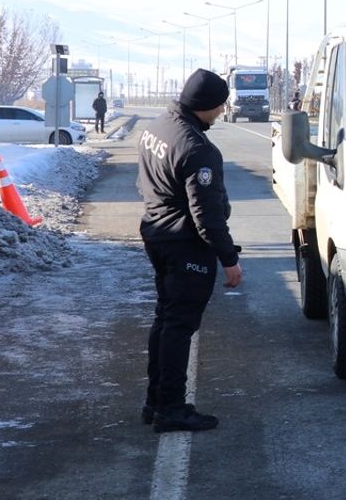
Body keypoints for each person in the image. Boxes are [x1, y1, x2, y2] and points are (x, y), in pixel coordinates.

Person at [136, 68, 243, 433]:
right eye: (220, 106)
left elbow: (144, 181)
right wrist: (229, 259)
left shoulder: (158, 127)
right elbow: (207, 216)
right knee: (179, 326)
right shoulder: (198, 149)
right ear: (209, 105)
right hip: (184, 246)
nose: (221, 112)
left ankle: (156, 401)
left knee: (166, 320)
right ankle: (171, 407)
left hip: (157, 234)